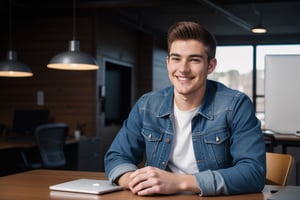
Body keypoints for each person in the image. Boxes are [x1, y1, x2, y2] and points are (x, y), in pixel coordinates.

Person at [104, 21, 266, 196]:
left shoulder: (235, 105)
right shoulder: (147, 105)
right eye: (176, 58)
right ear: (167, 62)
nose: (183, 69)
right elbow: (116, 156)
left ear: (210, 66)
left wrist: (179, 182)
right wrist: (135, 180)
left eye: (194, 60)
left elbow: (253, 173)